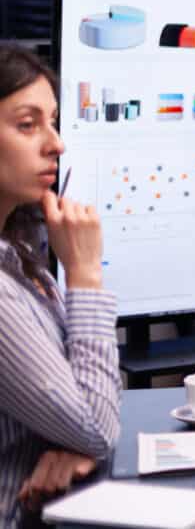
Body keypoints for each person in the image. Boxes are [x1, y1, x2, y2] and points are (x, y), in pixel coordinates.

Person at [0, 47, 120, 526]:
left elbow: (99, 391)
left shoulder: (20, 259)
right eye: (27, 125)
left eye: (53, 121)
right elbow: (97, 424)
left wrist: (76, 443)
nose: (56, 144)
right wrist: (86, 276)